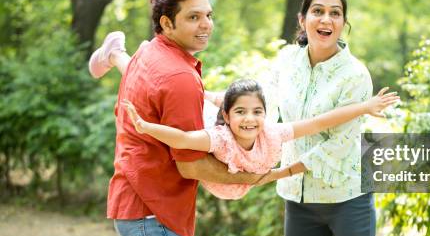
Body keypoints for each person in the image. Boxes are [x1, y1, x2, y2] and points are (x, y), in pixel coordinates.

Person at [94, 0, 281, 236]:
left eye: (208, 15)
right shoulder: (179, 76)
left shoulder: (148, 54)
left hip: (132, 207)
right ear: (167, 24)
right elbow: (190, 166)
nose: (205, 25)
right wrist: (248, 176)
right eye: (193, 17)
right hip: (156, 214)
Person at [264, 0, 379, 236]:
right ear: (302, 19)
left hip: (348, 198)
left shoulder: (355, 75)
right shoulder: (287, 61)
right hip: (299, 201)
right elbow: (262, 105)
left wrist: (280, 172)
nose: (326, 20)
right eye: (317, 11)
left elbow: (339, 144)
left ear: (343, 24)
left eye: (335, 13)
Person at [121, 78, 398, 200]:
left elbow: (318, 122)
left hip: (238, 176)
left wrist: (365, 107)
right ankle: (122, 58)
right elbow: (181, 139)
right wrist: (145, 126)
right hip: (206, 121)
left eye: (257, 112)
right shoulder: (220, 138)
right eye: (241, 113)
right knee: (174, 94)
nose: (250, 119)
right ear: (228, 117)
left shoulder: (272, 133)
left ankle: (218, 97)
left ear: (266, 115)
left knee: (212, 96)